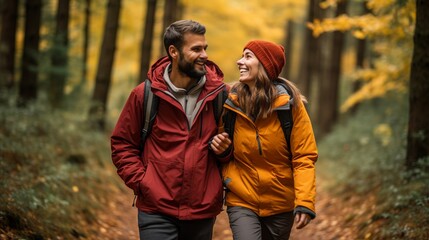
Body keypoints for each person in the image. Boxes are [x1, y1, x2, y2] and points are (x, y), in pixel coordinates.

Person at [111, 20, 227, 240]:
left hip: (202, 211)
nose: (204, 55)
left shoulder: (221, 96)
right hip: (156, 209)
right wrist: (144, 183)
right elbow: (122, 144)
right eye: (196, 49)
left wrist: (224, 151)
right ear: (173, 51)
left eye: (205, 48)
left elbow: (236, 148)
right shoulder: (144, 95)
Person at [210, 40, 318, 240]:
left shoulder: (290, 107)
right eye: (242, 55)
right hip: (242, 198)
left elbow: (304, 157)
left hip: (280, 202)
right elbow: (223, 149)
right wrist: (222, 150)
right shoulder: (231, 103)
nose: (239, 61)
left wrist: (304, 201)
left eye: (248, 56)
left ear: (265, 65)